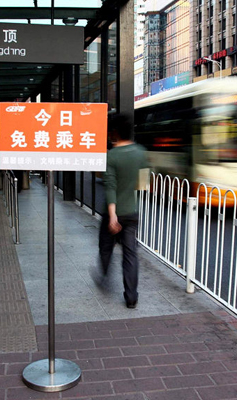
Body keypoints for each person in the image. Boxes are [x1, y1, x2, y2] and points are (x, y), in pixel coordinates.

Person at [97, 114, 147, 309]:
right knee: (130, 254)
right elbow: (143, 184)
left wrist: (112, 216)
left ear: (115, 132)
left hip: (114, 213)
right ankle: (131, 296)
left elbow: (109, 186)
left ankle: (104, 275)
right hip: (132, 212)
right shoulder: (140, 152)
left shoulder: (111, 155)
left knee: (105, 246)